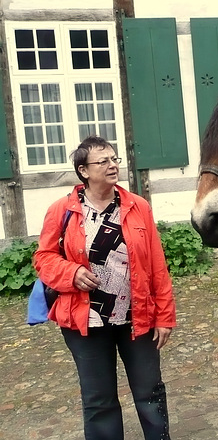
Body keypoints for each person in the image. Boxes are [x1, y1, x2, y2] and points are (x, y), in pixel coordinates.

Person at [34, 135, 176, 440]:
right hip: (85, 321)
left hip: (136, 318)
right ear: (84, 170)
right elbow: (44, 259)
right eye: (103, 161)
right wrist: (70, 272)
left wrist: (164, 316)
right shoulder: (62, 210)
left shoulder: (137, 206)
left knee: (150, 391)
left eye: (115, 159)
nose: (112, 166)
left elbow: (157, 266)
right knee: (98, 400)